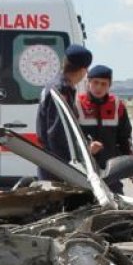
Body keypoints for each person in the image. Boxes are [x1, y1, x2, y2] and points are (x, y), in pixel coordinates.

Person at [73, 64, 133, 193]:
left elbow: (125, 138)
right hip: (83, 170)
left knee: (117, 207)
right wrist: (88, 147)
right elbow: (70, 138)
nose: (99, 87)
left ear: (109, 85)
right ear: (88, 82)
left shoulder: (117, 106)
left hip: (111, 170)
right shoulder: (77, 104)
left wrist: (130, 166)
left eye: (103, 84)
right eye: (95, 82)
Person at [35, 44, 92, 181]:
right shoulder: (61, 91)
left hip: (51, 162)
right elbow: (57, 133)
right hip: (57, 166)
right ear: (83, 71)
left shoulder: (56, 86)